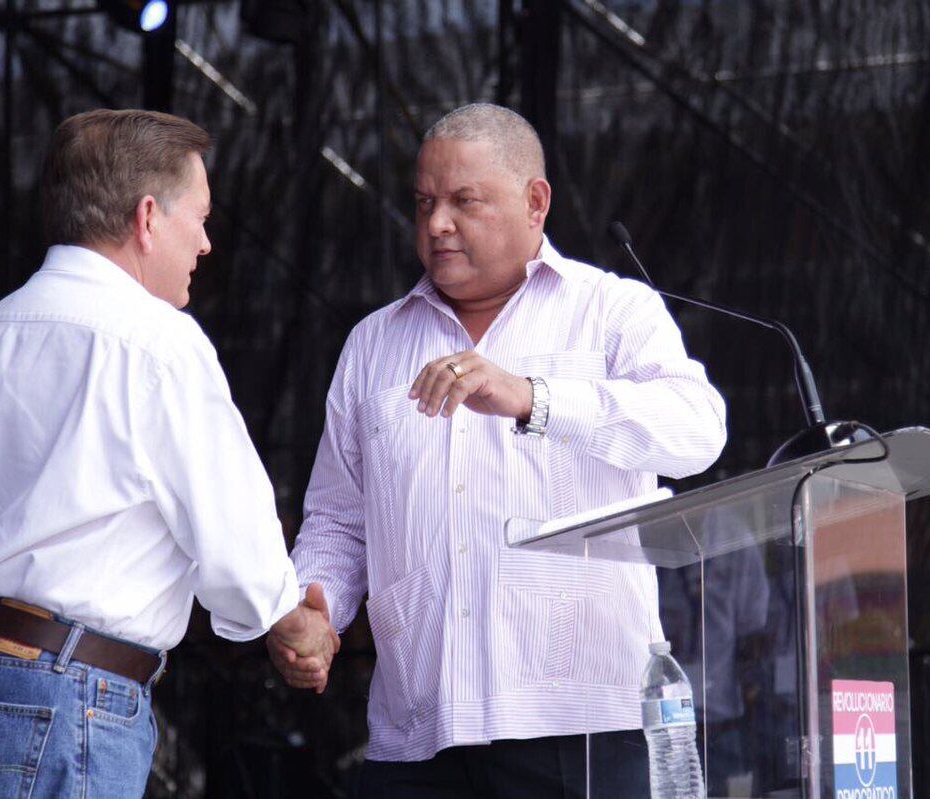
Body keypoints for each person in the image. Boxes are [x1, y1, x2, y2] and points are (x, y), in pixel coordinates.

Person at [272, 103, 727, 797]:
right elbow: (339, 518)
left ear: (535, 202)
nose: (436, 224)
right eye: (424, 202)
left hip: (580, 728)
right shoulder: (373, 343)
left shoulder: (611, 312)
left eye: (463, 201)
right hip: (415, 737)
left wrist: (534, 397)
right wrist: (316, 607)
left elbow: (699, 428)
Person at [0, 109, 336, 799]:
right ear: (148, 218)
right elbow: (229, 522)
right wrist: (286, 615)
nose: (205, 242)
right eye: (198, 218)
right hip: (65, 693)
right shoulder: (158, 341)